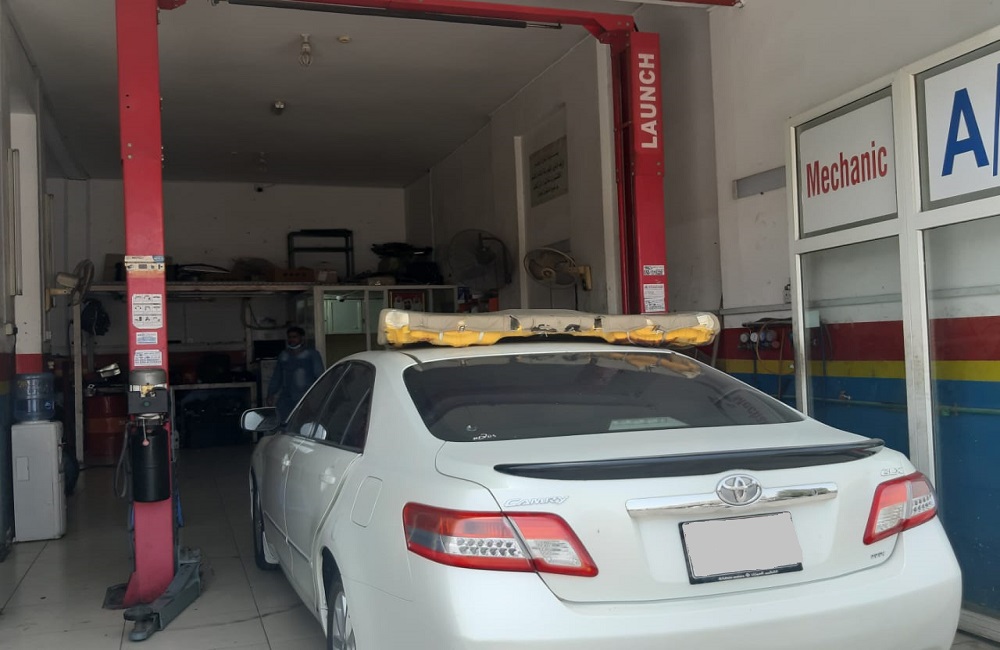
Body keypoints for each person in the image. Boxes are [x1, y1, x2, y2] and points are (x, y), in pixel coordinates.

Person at [266, 326, 325, 420]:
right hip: (286, 398)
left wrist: (318, 398)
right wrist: (270, 394)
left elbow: (320, 376)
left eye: (295, 337)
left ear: (302, 338)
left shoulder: (311, 354)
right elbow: (277, 377)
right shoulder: (284, 355)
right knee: (283, 422)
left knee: (304, 423)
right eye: (289, 337)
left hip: (305, 398)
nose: (291, 340)